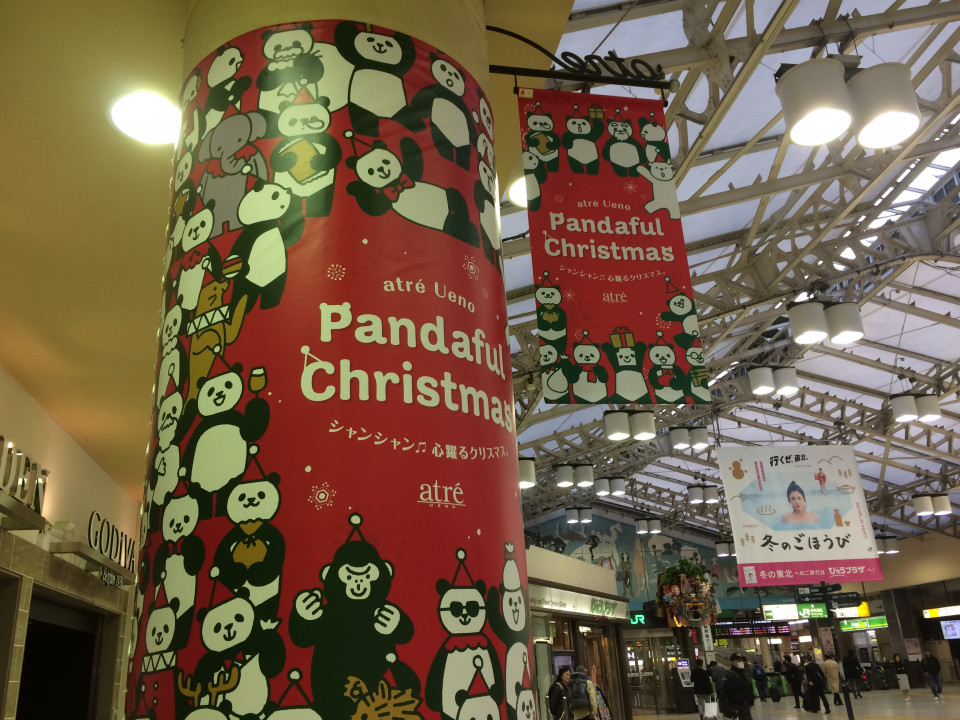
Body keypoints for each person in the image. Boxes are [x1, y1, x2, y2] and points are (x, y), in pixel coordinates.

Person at [719, 653, 754, 720]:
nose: (741, 662)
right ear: (733, 662)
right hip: (739, 705)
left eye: (741, 660)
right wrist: (742, 700)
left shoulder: (741, 672)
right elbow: (732, 691)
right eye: (739, 661)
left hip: (744, 704)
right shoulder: (731, 674)